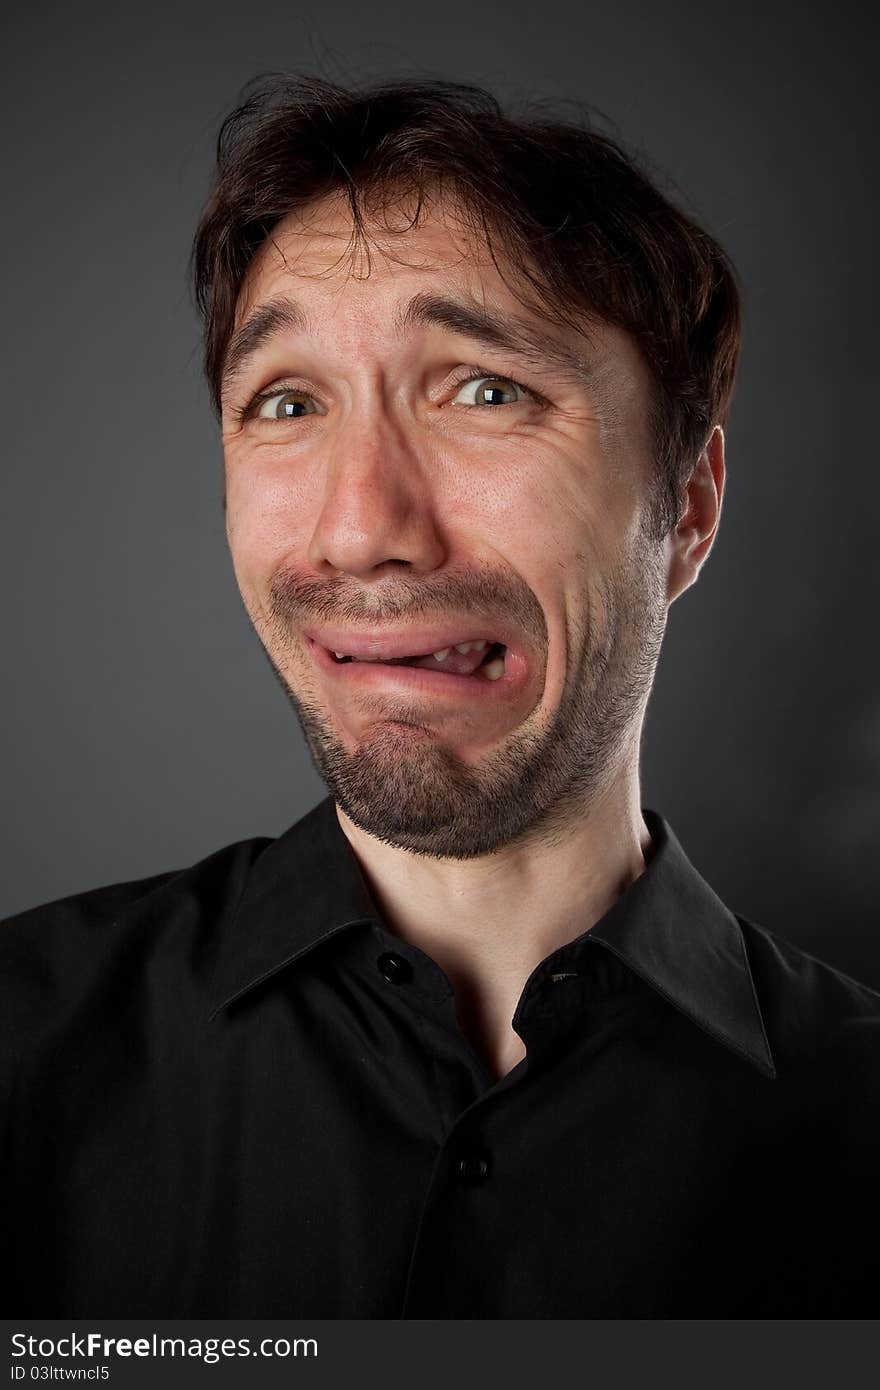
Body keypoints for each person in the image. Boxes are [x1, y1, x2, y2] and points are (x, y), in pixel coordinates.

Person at [2, 73, 878, 1319]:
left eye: (485, 389)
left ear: (684, 508)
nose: (361, 530)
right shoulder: (24, 1048)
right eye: (287, 402)